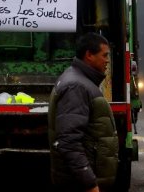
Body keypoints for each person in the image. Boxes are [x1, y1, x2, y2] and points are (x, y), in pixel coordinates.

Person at [48, 32, 119, 192]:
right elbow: (69, 142)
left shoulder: (79, 81)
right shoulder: (76, 86)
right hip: (78, 184)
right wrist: (90, 183)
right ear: (89, 55)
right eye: (104, 55)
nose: (107, 60)